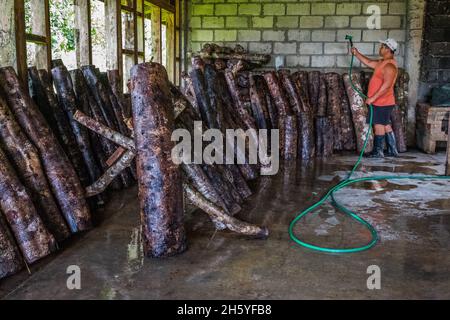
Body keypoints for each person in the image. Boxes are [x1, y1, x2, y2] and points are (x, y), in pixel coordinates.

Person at [351, 38, 399, 158]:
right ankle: (393, 150)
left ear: (388, 49)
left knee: (378, 125)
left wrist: (372, 98)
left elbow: (387, 86)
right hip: (382, 101)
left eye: (382, 46)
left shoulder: (389, 66)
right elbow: (368, 62)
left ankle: (378, 152)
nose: (380, 48)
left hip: (382, 102)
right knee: (385, 124)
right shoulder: (382, 63)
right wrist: (357, 53)